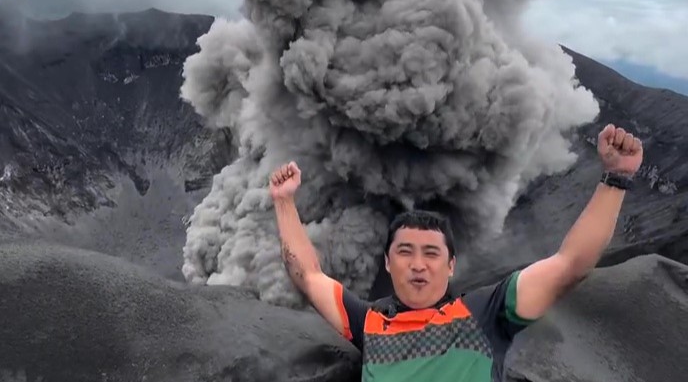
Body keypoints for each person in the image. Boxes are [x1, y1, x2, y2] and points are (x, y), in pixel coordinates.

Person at [268, 123, 643, 382]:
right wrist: (284, 203)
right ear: (387, 262)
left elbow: (570, 265)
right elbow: (308, 275)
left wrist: (615, 179)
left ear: (451, 266)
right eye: (405, 252)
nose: (418, 264)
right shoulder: (368, 323)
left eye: (431, 253)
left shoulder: (485, 313)